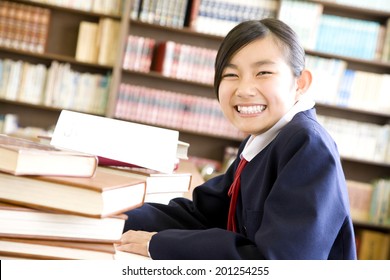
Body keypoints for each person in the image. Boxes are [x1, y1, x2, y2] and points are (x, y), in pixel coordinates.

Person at [116, 18, 357, 260]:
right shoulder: (263, 139)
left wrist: (160, 244)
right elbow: (204, 214)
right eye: (231, 74)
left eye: (263, 72)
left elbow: (277, 262)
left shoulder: (307, 146)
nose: (244, 89)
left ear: (300, 83)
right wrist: (110, 216)